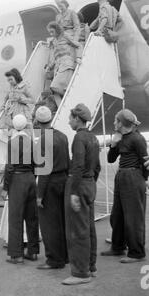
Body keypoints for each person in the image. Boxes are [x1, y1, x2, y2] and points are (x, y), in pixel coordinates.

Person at [101, 110, 148, 263]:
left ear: (121, 123)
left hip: (133, 177)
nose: (114, 123)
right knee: (117, 215)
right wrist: (114, 145)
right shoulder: (121, 138)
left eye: (116, 121)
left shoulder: (137, 138)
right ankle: (118, 246)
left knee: (134, 217)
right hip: (122, 177)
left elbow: (146, 162)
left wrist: (144, 181)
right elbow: (110, 159)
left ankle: (137, 252)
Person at [62, 104, 101, 285]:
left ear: (77, 119)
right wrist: (90, 182)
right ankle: (91, 267)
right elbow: (97, 166)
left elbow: (77, 165)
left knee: (77, 230)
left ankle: (80, 273)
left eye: (70, 118)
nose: (69, 121)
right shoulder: (93, 137)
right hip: (90, 183)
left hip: (79, 184)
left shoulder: (78, 138)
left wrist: (75, 192)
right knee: (89, 228)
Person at [34, 106, 70, 270]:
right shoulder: (63, 137)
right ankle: (66, 255)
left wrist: (39, 195)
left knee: (49, 224)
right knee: (63, 220)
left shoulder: (42, 140)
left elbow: (44, 169)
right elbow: (68, 162)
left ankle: (55, 260)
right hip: (63, 180)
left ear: (37, 121)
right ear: (51, 118)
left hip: (49, 184)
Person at [1, 114, 39, 264]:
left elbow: (9, 166)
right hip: (30, 178)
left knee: (16, 218)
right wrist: (32, 178)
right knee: (32, 217)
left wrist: (5, 187)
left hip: (17, 180)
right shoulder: (31, 142)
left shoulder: (12, 142)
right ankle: (33, 251)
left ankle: (16, 255)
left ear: (14, 127)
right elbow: (37, 164)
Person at [46, 22, 80, 108]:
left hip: (66, 64)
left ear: (57, 30)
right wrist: (49, 67)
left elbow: (77, 45)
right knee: (54, 91)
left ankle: (69, 97)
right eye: (49, 32)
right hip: (58, 67)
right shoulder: (54, 41)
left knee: (54, 87)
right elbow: (54, 56)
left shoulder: (65, 35)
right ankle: (62, 107)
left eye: (52, 31)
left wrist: (78, 57)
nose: (51, 34)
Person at [0, 68, 35, 135]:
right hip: (11, 112)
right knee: (12, 131)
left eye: (11, 79)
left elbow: (33, 100)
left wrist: (22, 100)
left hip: (23, 112)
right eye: (8, 80)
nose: (10, 82)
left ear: (16, 77)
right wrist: (3, 105)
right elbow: (6, 97)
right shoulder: (11, 87)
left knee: (26, 131)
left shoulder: (25, 87)